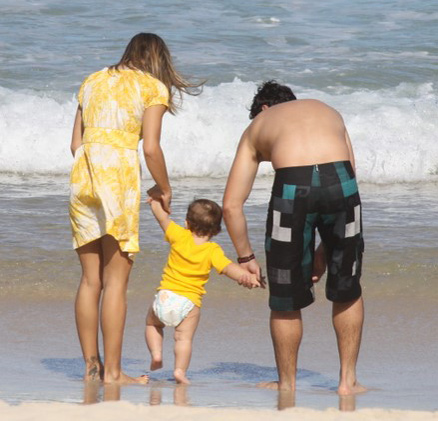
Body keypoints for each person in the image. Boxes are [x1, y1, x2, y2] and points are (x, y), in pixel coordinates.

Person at [69, 33, 200, 384]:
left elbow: (75, 144)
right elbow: (152, 149)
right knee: (115, 282)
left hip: (82, 176)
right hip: (118, 181)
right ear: (159, 60)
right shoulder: (153, 87)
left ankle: (91, 368)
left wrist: (93, 169)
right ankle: (113, 373)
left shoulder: (92, 80)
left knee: (89, 280)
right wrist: (165, 188)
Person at [223, 81, 366, 395]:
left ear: (263, 109)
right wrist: (323, 252)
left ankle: (287, 384)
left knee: (285, 297)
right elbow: (350, 178)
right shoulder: (328, 111)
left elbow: (231, 205)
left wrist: (246, 258)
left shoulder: (258, 125)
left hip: (292, 189)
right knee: (347, 287)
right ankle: (347, 381)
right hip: (339, 181)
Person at [145, 196, 263, 384]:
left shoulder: (178, 235)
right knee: (183, 339)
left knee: (152, 325)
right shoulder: (212, 250)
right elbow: (228, 268)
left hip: (165, 296)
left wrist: (154, 202)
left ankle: (157, 354)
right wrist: (246, 277)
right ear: (216, 230)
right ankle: (179, 371)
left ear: (186, 223)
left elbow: (161, 218)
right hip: (188, 303)